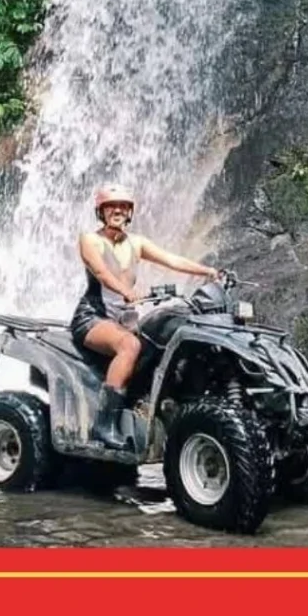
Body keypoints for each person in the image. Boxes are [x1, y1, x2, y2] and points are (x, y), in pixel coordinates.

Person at [71, 183, 220, 451]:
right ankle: (104, 425)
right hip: (92, 317)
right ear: (101, 212)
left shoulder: (136, 243)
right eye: (111, 206)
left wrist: (207, 271)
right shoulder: (90, 240)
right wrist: (126, 290)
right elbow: (102, 273)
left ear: (130, 212)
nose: (117, 211)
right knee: (130, 345)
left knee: (160, 342)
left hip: (122, 321)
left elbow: (172, 260)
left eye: (123, 206)